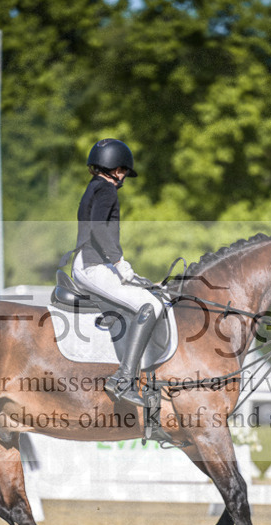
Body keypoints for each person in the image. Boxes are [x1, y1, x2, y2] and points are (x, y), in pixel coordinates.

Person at [72, 138, 163, 408]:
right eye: (122, 169)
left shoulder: (94, 188)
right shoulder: (107, 191)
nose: (123, 175)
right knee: (151, 304)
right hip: (94, 264)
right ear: (112, 167)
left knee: (146, 293)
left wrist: (126, 272)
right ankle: (124, 379)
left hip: (94, 262)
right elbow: (99, 229)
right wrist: (119, 261)